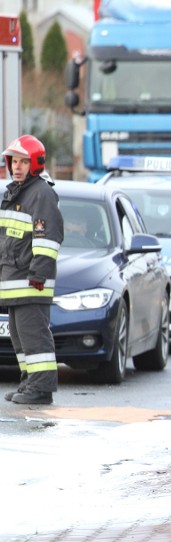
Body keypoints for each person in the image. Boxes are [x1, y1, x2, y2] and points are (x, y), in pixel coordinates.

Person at [1, 135, 64, 404]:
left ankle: (41, 389)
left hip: (31, 282)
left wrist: (38, 275)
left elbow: (47, 240)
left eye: (23, 162)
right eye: (14, 161)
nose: (17, 167)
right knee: (20, 337)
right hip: (14, 281)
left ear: (35, 163)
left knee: (35, 338)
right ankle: (29, 383)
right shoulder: (15, 192)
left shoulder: (41, 193)